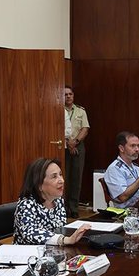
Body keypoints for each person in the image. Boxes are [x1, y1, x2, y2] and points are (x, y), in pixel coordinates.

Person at [14, 157, 92, 245]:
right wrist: (64, 240)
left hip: (53, 252)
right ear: (39, 184)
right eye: (54, 177)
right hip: (28, 255)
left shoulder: (58, 201)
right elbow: (30, 233)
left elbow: (61, 229)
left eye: (60, 174)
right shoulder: (26, 204)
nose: (61, 180)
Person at [104, 131, 139, 208]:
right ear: (121, 148)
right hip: (127, 212)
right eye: (133, 146)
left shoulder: (136, 167)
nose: (137, 149)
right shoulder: (114, 169)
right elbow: (123, 197)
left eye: (138, 146)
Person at [64, 85, 90, 218]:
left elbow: (85, 128)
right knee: (63, 178)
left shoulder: (80, 111)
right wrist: (68, 143)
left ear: (73, 95)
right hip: (62, 145)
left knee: (76, 178)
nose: (68, 96)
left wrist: (75, 142)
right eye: (65, 94)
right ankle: (63, 208)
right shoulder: (58, 110)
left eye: (70, 94)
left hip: (78, 146)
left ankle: (73, 208)